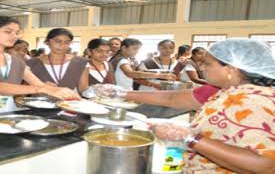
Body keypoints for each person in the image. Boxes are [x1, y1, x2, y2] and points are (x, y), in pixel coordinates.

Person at [94, 38, 275, 174]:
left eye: (208, 64)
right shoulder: (227, 91)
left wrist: (190, 138)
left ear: (230, 70)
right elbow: (172, 98)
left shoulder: (253, 101)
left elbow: (267, 164)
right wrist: (121, 93)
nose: (202, 68)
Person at [0, 16, 79, 113]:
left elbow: (39, 85)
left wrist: (66, 94)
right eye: (8, 32)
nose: (15, 36)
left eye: (16, 33)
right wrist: (43, 89)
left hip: (7, 112)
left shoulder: (16, 61)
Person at [110, 38, 176, 90]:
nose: (137, 52)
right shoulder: (122, 60)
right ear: (124, 48)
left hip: (123, 89)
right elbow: (131, 74)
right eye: (134, 49)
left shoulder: (124, 59)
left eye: (138, 49)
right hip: (120, 90)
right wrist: (160, 75)